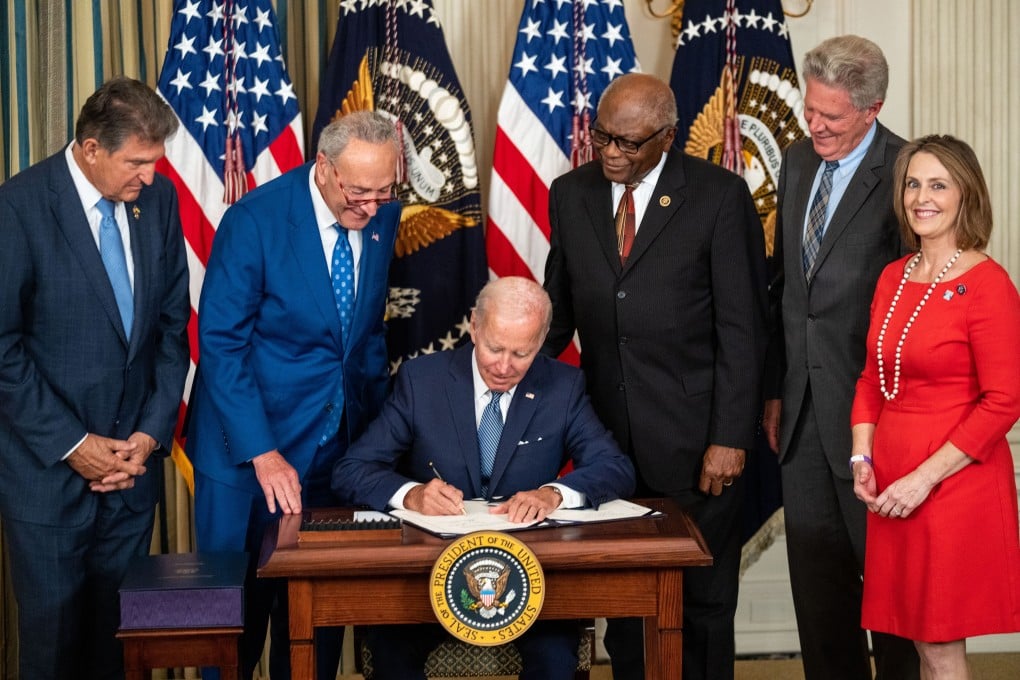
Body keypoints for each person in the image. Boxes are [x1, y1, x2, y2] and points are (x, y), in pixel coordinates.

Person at [543, 72, 768, 680]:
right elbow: (558, 310)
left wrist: (730, 438)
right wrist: (500, 377)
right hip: (606, 444)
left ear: (667, 138)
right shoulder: (571, 193)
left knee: (702, 602)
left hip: (697, 442)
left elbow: (744, 328)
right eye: (603, 137)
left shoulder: (719, 197)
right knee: (626, 604)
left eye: (630, 143)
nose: (612, 153)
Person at [332, 276, 637, 680]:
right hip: (427, 576)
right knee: (392, 656)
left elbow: (616, 468)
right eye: (494, 348)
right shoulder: (422, 380)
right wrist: (412, 495)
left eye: (522, 353)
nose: (504, 366)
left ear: (542, 340)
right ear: (474, 326)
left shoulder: (562, 387)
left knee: (555, 661)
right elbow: (351, 470)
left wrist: (554, 494)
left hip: (529, 578)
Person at [185, 111, 400, 680]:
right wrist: (263, 452)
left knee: (315, 622)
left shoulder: (381, 217)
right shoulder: (254, 220)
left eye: (385, 191)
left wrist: (377, 441)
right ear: (324, 169)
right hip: (248, 454)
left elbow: (366, 336)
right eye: (360, 193)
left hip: (335, 452)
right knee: (232, 621)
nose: (373, 207)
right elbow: (221, 346)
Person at [0, 77, 190, 679]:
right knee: (53, 654)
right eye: (137, 163)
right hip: (47, 481)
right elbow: (1, 348)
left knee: (118, 652)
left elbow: (170, 332)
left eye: (155, 163)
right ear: (89, 149)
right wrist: (75, 446)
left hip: (131, 479)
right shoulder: (19, 207)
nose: (150, 177)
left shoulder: (157, 204)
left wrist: (151, 435)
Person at [761, 35, 922, 680]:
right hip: (800, 415)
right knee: (819, 595)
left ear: (872, 107)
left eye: (831, 115)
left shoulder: (909, 169)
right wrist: (776, 388)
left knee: (890, 594)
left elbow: (922, 299)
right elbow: (788, 290)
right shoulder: (798, 161)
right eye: (810, 108)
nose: (814, 125)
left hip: (876, 419)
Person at [850, 135, 1020, 679]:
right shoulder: (893, 277)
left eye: (938, 184)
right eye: (913, 184)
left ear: (965, 194)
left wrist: (923, 479)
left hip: (952, 483)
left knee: (941, 645)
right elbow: (872, 379)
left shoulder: (988, 285)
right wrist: (862, 459)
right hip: (892, 482)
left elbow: (1005, 400)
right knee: (920, 641)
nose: (922, 197)